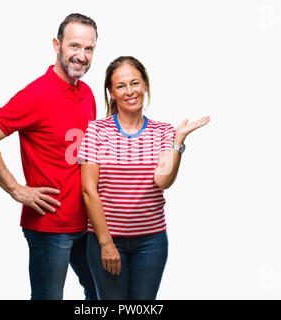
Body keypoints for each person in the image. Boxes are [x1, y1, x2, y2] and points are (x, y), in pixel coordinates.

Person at [0, 13, 98, 300]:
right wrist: (17, 190)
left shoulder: (87, 93)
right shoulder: (36, 95)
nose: (81, 55)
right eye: (74, 46)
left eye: (88, 49)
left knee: (102, 293)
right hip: (50, 227)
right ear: (57, 45)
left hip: (85, 222)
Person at [77, 56, 210, 300]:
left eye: (135, 83)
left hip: (151, 243)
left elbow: (163, 182)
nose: (130, 91)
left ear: (145, 85)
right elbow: (88, 191)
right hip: (105, 240)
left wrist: (178, 143)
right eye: (121, 86)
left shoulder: (164, 131)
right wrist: (106, 244)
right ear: (111, 92)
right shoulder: (96, 131)